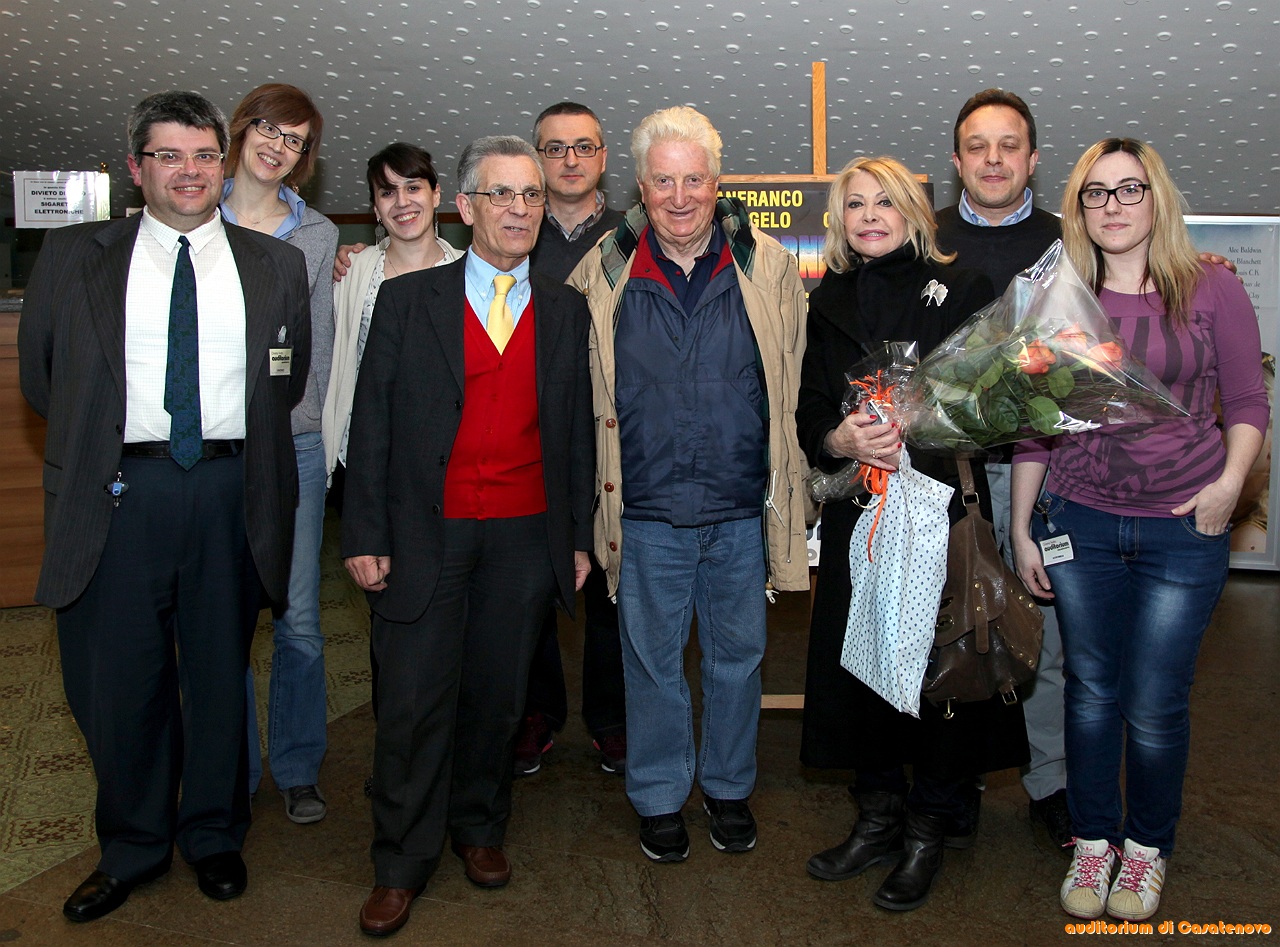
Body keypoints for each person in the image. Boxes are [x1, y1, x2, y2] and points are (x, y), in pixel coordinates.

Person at [18, 90, 310, 921]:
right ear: (135, 167)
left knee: (219, 674)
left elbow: (283, 381)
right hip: (119, 492)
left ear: (225, 163)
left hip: (229, 491)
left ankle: (213, 834)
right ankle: (132, 845)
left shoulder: (275, 265)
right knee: (122, 681)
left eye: (205, 155)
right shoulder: (72, 255)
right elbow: (42, 379)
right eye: (170, 155)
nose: (190, 171)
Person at [342, 135, 594, 938]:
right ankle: (400, 861)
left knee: (497, 698)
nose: (519, 209)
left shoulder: (566, 309)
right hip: (426, 534)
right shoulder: (407, 301)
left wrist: (576, 537)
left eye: (532, 195)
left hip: (523, 538)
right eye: (501, 194)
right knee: (413, 701)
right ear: (466, 206)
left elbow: (575, 433)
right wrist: (364, 530)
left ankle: (480, 826)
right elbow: (370, 423)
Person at [1011, 138, 1268, 923]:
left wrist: (1229, 487)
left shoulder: (1212, 287)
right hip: (1081, 523)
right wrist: (1021, 526)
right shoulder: (1061, 298)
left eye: (1129, 189)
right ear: (1079, 209)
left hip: (1184, 528)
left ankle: (1147, 847)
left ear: (1156, 197)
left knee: (1154, 701)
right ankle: (1094, 840)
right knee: (1090, 691)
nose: (1113, 205)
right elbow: (1035, 421)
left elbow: (1248, 402)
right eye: (1096, 193)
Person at [566, 106, 810, 863]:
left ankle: (730, 789)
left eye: (694, 180)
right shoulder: (601, 272)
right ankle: (659, 796)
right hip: (645, 512)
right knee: (652, 665)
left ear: (716, 183)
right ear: (640, 186)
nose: (680, 197)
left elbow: (797, 383)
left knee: (738, 661)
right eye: (664, 181)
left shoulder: (767, 268)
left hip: (741, 508)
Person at [796, 156, 1029, 912]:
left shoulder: (963, 289)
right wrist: (839, 438)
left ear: (914, 213)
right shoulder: (826, 298)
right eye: (854, 204)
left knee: (938, 674)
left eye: (885, 202)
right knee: (861, 668)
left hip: (937, 512)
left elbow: (993, 406)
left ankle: (929, 826)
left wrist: (918, 426)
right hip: (859, 514)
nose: (869, 216)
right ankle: (876, 819)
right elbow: (808, 407)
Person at [935, 88, 1073, 849]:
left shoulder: (1070, 241)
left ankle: (1051, 783)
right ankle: (952, 783)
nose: (993, 159)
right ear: (957, 162)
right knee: (954, 633)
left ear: (1033, 159)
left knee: (1044, 640)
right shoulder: (926, 238)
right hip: (944, 477)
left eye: (1008, 145)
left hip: (1043, 477)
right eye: (977, 146)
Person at [220, 82, 338, 824]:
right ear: (242, 130)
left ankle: (297, 766)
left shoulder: (317, 234)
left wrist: (315, 428)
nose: (279, 146)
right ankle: (230, 769)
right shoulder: (195, 213)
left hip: (294, 444)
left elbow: (317, 341)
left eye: (295, 140)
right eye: (270, 128)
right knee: (221, 616)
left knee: (298, 617)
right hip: (212, 448)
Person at [323, 143, 462, 737]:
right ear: (374, 208)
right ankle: (397, 753)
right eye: (387, 192)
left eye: (413, 187)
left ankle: (450, 751)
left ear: (438, 195)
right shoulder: (353, 275)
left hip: (451, 474)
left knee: (455, 621)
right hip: (374, 472)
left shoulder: (471, 270)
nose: (402, 202)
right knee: (391, 619)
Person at [515, 101, 628, 778]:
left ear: (604, 157)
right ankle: (536, 714)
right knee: (530, 584)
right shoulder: (514, 232)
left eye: (584, 146)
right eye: (555, 148)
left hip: (614, 436)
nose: (570, 159)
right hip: (533, 436)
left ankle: (612, 721)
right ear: (538, 158)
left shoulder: (634, 236)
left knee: (612, 584)